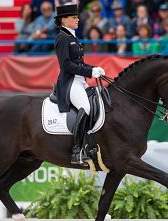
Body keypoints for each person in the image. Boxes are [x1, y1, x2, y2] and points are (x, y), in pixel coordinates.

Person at [54, 4, 105, 164]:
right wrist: (90, 72)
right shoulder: (62, 38)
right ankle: (76, 151)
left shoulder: (72, 37)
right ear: (64, 20)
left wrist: (94, 68)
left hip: (80, 81)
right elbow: (66, 65)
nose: (77, 20)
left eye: (77, 17)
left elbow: (79, 63)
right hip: (69, 83)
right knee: (86, 107)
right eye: (74, 17)